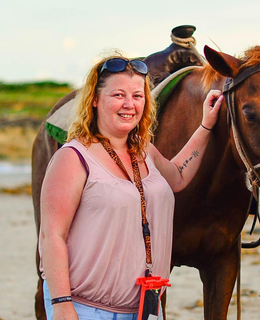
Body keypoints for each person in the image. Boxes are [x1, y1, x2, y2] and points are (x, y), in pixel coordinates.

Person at [39, 54, 223, 320]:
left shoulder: (143, 150)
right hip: (86, 309)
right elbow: (52, 236)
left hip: (145, 310)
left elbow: (177, 177)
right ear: (94, 99)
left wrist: (205, 126)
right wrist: (62, 304)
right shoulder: (74, 157)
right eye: (118, 95)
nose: (129, 105)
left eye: (137, 96)